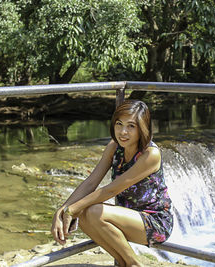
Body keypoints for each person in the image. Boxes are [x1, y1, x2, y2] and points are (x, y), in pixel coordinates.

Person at [51, 100, 173, 267]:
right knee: (84, 213)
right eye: (119, 124)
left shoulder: (150, 154)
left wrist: (71, 209)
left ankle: (134, 264)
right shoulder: (115, 147)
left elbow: (111, 190)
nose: (123, 132)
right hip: (127, 216)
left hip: (154, 221)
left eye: (131, 126)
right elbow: (91, 182)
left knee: (92, 210)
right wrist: (61, 211)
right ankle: (125, 264)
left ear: (142, 128)